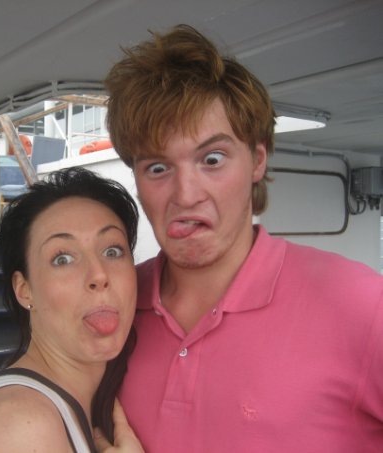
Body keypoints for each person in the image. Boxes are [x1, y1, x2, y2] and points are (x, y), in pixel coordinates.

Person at [102, 24, 383, 452]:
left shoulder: (362, 304)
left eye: (212, 159)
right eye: (158, 168)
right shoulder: (115, 304)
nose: (186, 195)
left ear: (257, 160)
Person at [0, 167, 144, 453]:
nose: (99, 275)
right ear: (24, 290)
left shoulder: (79, 403)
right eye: (63, 259)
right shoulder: (20, 426)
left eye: (112, 251)